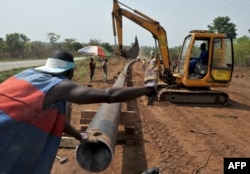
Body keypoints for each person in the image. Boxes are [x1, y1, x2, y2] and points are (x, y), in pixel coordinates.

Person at [0, 50, 157, 174]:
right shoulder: (59, 86)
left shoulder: (26, 75)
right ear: (70, 72)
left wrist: (79, 136)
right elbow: (110, 95)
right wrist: (147, 89)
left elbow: (54, 118)